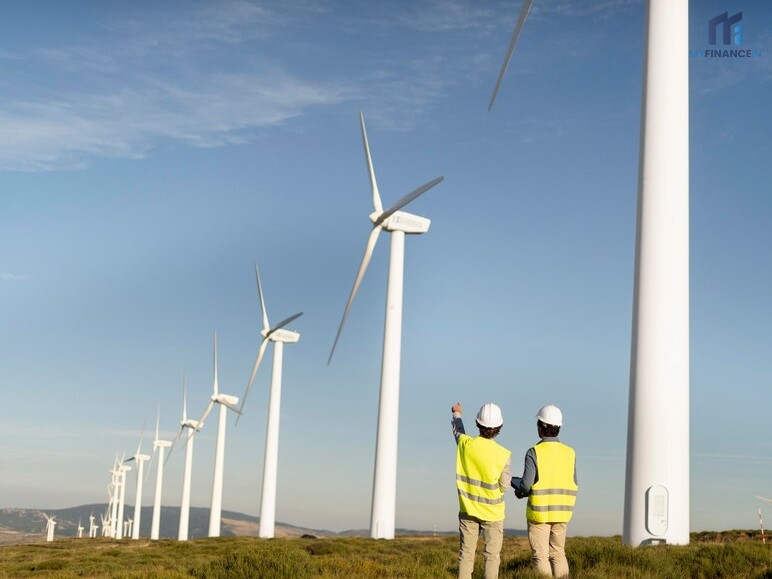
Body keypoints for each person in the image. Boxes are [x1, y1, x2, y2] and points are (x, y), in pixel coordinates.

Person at [511, 404, 578, 578]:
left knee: (540, 556)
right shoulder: (570, 453)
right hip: (562, 513)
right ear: (558, 428)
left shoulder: (534, 452)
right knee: (558, 553)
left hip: (539, 514)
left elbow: (525, 486)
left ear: (540, 427)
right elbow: (574, 481)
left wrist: (519, 492)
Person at [451, 402, 512, 579]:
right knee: (492, 557)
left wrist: (457, 414)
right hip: (493, 513)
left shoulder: (466, 444)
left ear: (478, 423)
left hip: (468, 510)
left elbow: (458, 431)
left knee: (466, 555)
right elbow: (504, 486)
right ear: (499, 427)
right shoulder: (504, 454)